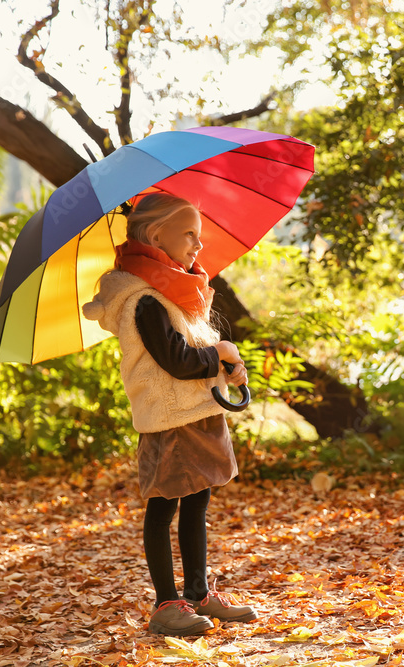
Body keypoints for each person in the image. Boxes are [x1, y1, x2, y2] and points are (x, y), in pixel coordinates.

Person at [83, 193, 258, 636]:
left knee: (197, 503)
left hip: (197, 412)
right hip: (170, 418)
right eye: (189, 235)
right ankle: (165, 603)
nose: (198, 245)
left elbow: (195, 346)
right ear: (156, 234)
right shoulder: (142, 298)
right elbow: (176, 360)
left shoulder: (171, 287)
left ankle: (197, 592)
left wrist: (226, 363)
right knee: (163, 508)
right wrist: (215, 354)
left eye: (199, 235)